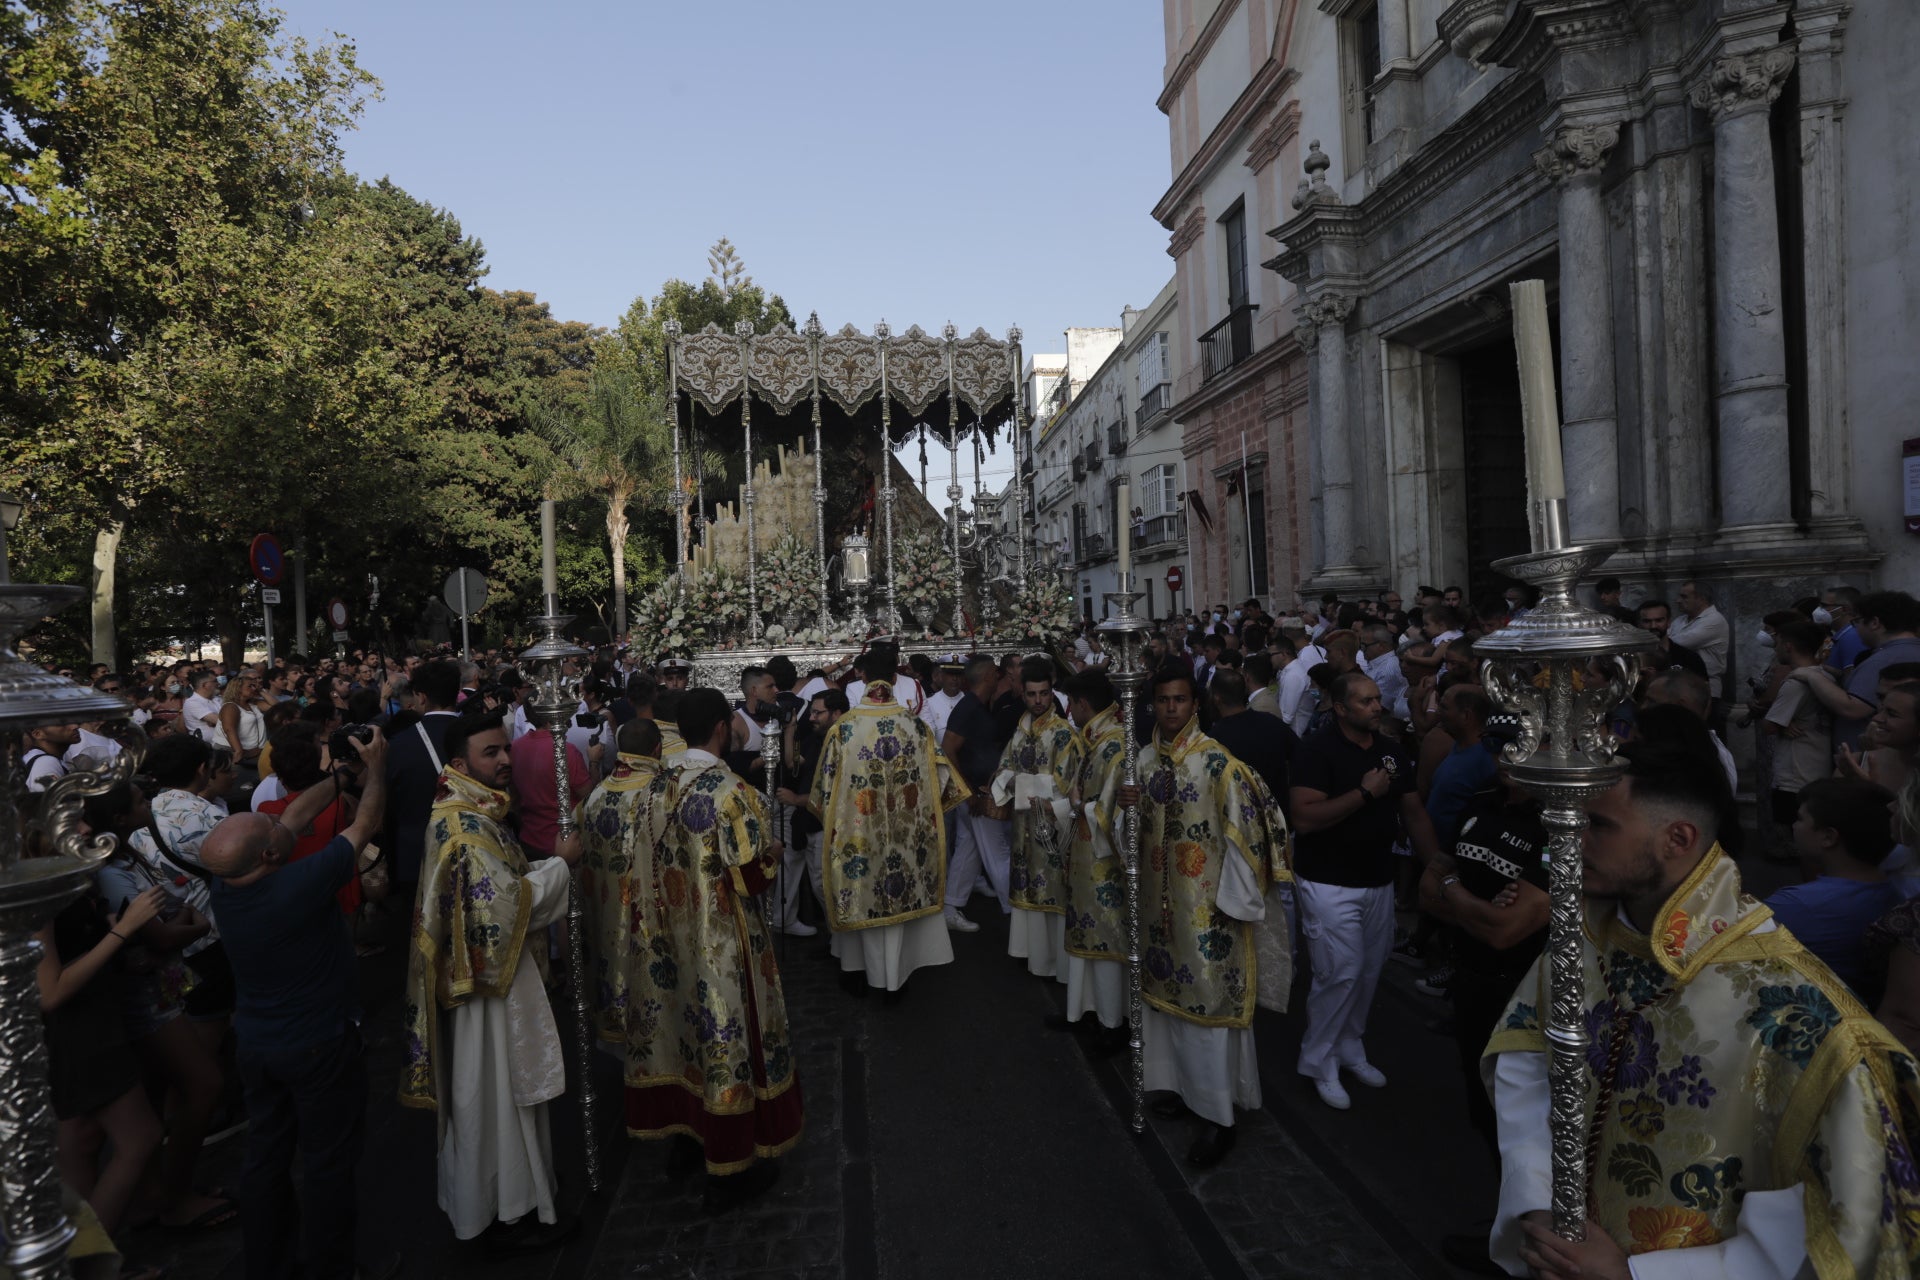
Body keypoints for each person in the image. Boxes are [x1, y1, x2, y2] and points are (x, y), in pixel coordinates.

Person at [1488, 726, 1920, 1277]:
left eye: (1596, 824)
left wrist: (1635, 1276)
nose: (1563, 841)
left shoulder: (1795, 1009)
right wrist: (1541, 1205)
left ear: (1678, 838)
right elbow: (1526, 1057)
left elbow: (1838, 1217)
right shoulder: (1586, 937)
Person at [199, 731, 389, 1280]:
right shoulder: (297, 885)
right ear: (267, 854)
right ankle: (331, 1266)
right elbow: (364, 826)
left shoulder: (226, 886)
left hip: (258, 1043)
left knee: (266, 1157)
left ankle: (268, 1261)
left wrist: (337, 778)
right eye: (271, 831)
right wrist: (375, 772)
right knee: (329, 1160)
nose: (282, 825)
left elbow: (293, 822)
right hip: (318, 1041)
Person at [400, 712, 580, 1249]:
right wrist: (561, 866)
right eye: (489, 753)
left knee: (506, 1091)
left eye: (505, 750)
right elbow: (503, 907)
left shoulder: (474, 811)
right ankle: (506, 1211)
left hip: (494, 974)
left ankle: (522, 1191)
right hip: (487, 987)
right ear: (460, 764)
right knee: (499, 1094)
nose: (504, 761)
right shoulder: (463, 827)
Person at [626, 688, 802, 1206]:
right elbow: (752, 878)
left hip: (661, 938)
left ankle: (685, 1140)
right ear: (723, 728)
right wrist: (770, 850)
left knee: (679, 1031)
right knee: (727, 1038)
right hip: (718, 943)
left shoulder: (651, 785)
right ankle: (729, 1169)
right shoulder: (731, 792)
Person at [1110, 667, 1290, 1167]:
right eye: (1164, 700)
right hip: (1155, 912)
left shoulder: (1220, 767)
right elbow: (1125, 843)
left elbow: (1250, 838)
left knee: (1208, 1014)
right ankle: (1179, 1089)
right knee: (1165, 1007)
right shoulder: (1140, 762)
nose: (1171, 708)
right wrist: (1126, 808)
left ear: (1196, 704)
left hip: (1206, 914)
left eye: (1180, 700)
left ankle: (1218, 1116)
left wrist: (1231, 906)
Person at [1289, 672, 1441, 1110]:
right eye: (1367, 702)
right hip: (1328, 882)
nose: (1378, 707)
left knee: (1369, 969)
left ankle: (1350, 1046)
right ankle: (1318, 1060)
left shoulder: (1392, 752)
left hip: (1377, 882)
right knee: (1339, 973)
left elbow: (1413, 814)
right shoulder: (1316, 751)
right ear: (1340, 708)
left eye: (1378, 700)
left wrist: (1435, 868)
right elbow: (1305, 818)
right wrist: (1364, 793)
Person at [810, 663, 969, 997]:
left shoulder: (844, 729)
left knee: (859, 895)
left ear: (862, 678)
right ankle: (896, 978)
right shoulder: (917, 727)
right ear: (896, 681)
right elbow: (944, 783)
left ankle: (857, 971)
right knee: (900, 900)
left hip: (859, 835)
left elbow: (823, 794)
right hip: (907, 838)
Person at [1765, 777, 1902, 1001]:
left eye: (1800, 818)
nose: (1794, 825)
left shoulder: (1794, 905)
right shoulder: (1899, 893)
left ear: (1828, 837)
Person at [995, 656, 1084, 981]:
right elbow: (1003, 768)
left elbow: (1066, 785)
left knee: (1052, 893)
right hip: (1023, 828)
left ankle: (1053, 963)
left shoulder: (1063, 735)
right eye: (1032, 694)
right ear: (1023, 694)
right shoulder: (1019, 730)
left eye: (1044, 694)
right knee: (1026, 888)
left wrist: (1019, 782)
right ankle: (1030, 952)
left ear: (1052, 694)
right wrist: (1013, 781)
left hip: (1051, 831)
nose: (1038, 701)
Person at [576, 717, 664, 1046]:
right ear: (658, 749)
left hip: (602, 915)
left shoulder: (594, 798)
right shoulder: (658, 795)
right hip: (644, 918)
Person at [1057, 669, 1129, 1049]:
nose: (1069, 710)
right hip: (1087, 857)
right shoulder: (1097, 739)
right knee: (1088, 937)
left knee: (1106, 941)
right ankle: (1085, 1012)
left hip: (1105, 863)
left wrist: (1076, 806)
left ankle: (1112, 1025)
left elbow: (1111, 810)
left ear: (1084, 704)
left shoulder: (1112, 745)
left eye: (1071, 703)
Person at [1791, 589, 1920, 752]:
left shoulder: (1884, 659)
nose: (1856, 629)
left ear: (1874, 623)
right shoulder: (1910, 650)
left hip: (1869, 756)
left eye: (1856, 622)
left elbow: (1853, 708)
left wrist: (1811, 674)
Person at [942, 655, 1014, 930]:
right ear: (987, 677)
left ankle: (951, 907)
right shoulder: (968, 708)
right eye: (997, 673)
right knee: (998, 854)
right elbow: (948, 749)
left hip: (977, 790)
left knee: (969, 851)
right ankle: (1015, 911)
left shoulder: (978, 706)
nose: (1000, 677)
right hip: (976, 793)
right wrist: (968, 792)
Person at [773, 688, 848, 938]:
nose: (812, 717)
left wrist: (797, 799)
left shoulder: (844, 743)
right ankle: (836, 940)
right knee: (819, 885)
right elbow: (794, 762)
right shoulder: (817, 739)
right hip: (809, 822)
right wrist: (791, 728)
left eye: (818, 712)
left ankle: (841, 940)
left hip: (828, 826)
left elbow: (833, 791)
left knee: (825, 884)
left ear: (837, 713)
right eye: (812, 712)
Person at [382, 657, 461, 889]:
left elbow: (390, 803)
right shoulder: (480, 734)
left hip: (417, 857)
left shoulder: (399, 744)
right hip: (476, 851)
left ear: (421, 697)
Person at [1205, 669, 1297, 819]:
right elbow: (1301, 756)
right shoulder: (1271, 722)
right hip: (1277, 817)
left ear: (1216, 698)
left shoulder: (1213, 741)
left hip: (1241, 825)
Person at [1667, 580, 1731, 703]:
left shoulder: (1714, 620)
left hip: (1706, 688)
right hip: (1680, 686)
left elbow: (1674, 643)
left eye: (1684, 597)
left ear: (1701, 599)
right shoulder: (1680, 620)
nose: (1678, 601)